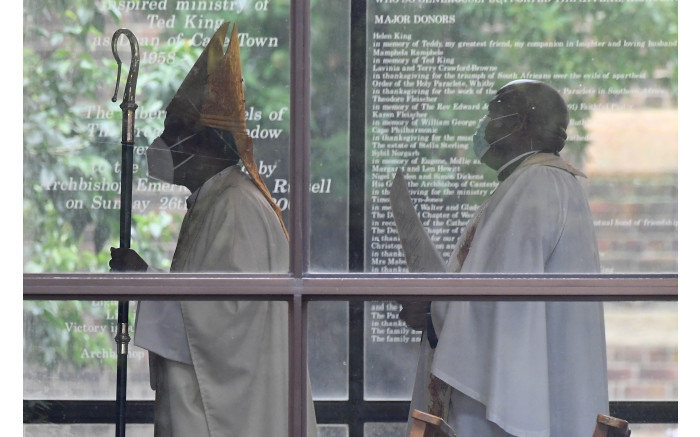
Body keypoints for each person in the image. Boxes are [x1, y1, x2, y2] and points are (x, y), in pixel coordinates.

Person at [109, 22, 317, 437]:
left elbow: (226, 332)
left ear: (204, 142)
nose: (163, 142)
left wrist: (145, 283)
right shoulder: (214, 199)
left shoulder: (236, 207)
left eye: (174, 132)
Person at [402, 80, 609, 436]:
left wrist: (430, 307)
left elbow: (496, 306)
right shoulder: (549, 183)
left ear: (519, 125)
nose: (484, 125)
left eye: (492, 113)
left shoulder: (533, 186)